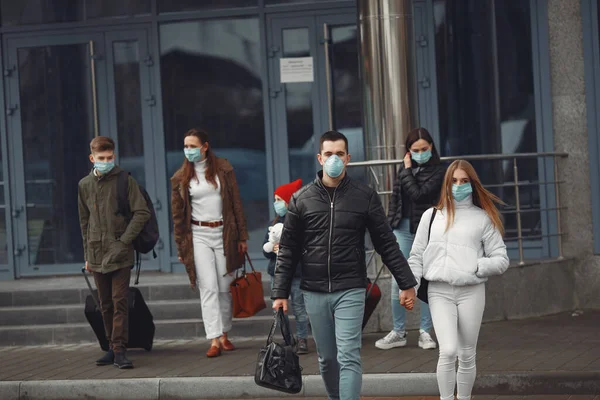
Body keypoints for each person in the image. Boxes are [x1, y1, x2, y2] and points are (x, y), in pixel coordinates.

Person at [272, 130, 417, 400]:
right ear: (319, 158)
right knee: (327, 359)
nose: (334, 159)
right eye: (329, 154)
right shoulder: (301, 199)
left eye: (339, 154)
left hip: (350, 288)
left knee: (348, 355)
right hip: (313, 290)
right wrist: (280, 292)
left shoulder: (365, 196)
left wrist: (406, 282)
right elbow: (289, 249)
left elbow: (386, 243)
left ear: (348, 158)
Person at [408, 159, 509, 400]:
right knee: (448, 350)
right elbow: (416, 256)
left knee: (466, 354)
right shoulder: (431, 216)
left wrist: (478, 266)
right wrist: (410, 286)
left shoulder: (483, 218)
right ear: (446, 183)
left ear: (472, 184)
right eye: (454, 181)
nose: (459, 185)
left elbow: (501, 258)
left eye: (464, 181)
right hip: (439, 291)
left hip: (471, 292)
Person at [171, 128, 249, 358]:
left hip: (224, 233)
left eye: (193, 146)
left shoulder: (223, 169)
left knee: (225, 287)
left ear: (205, 146)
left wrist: (242, 237)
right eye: (186, 146)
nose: (189, 150)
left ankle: (225, 333)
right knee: (208, 287)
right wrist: (181, 247)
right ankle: (214, 338)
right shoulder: (180, 178)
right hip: (198, 235)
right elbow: (178, 218)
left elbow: (236, 203)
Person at [78, 136, 151, 369]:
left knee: (120, 302)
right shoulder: (84, 185)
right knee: (104, 304)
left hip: (120, 254)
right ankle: (111, 346)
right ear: (92, 158)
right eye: (101, 158)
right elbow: (84, 221)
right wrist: (87, 256)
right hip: (97, 254)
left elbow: (142, 212)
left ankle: (120, 350)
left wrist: (124, 242)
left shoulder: (124, 180)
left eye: (110, 157)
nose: (106, 161)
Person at [376, 128, 445, 351]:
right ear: (408, 151)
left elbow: (419, 194)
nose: (420, 153)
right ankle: (398, 331)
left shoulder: (438, 171)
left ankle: (425, 331)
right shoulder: (403, 169)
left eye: (424, 149)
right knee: (398, 279)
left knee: (425, 280)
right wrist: (388, 227)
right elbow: (396, 199)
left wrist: (406, 171)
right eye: (415, 150)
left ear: (431, 147)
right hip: (402, 229)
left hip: (425, 230)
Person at [263, 178, 310, 354]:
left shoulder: (301, 222)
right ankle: (287, 338)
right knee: (279, 309)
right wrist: (271, 249)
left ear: (289, 201)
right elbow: (265, 250)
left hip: (297, 274)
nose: (276, 204)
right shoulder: (273, 224)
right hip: (276, 272)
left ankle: (302, 338)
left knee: (299, 307)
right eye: (275, 200)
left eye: (279, 200)